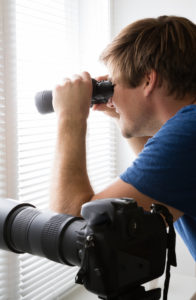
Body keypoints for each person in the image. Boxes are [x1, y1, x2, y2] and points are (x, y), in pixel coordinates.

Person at [49, 15, 196, 260]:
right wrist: (120, 116)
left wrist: (70, 117)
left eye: (114, 84)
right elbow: (163, 178)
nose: (111, 97)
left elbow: (73, 231)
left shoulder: (189, 131)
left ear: (149, 79)